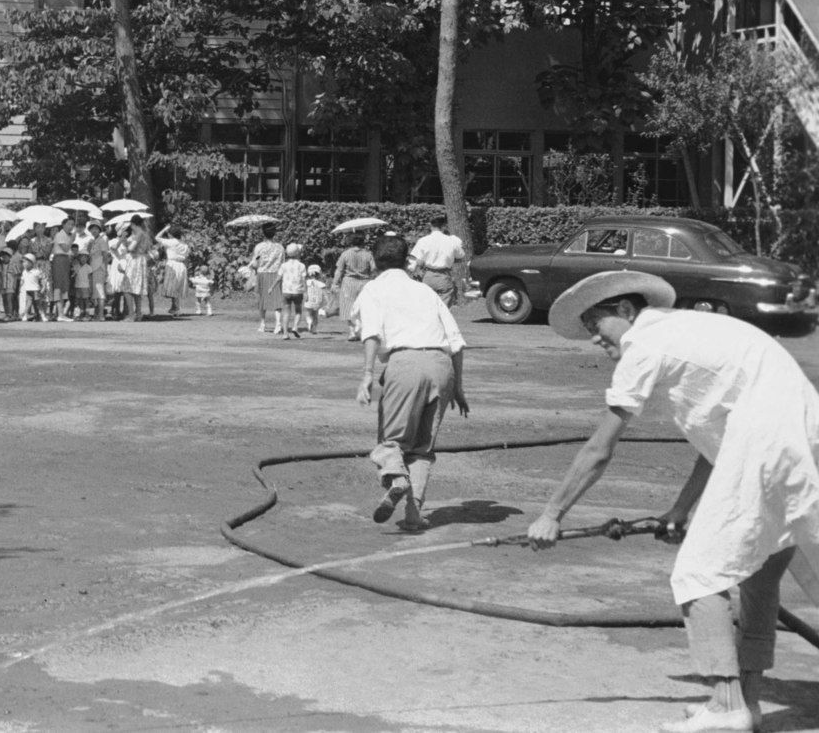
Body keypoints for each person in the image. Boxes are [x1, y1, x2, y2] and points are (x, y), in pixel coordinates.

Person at [528, 271, 819, 733]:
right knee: (760, 573)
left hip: (765, 442)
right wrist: (680, 511)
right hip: (798, 436)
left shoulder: (645, 345)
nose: (594, 341)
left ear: (626, 311)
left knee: (698, 572)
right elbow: (715, 447)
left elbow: (600, 448)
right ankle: (748, 700)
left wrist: (551, 514)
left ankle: (727, 708)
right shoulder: (688, 331)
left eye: (597, 326)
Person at [351, 234, 469, 532]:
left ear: (374, 263)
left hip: (405, 364)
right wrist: (457, 386)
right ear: (407, 261)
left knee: (392, 443)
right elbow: (456, 342)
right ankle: (415, 514)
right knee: (422, 449)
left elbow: (371, 334)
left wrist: (367, 373)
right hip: (442, 367)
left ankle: (397, 478)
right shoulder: (425, 291)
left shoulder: (373, 290)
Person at [410, 214, 468, 306]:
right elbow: (461, 257)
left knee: (428, 306)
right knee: (444, 309)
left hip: (428, 276)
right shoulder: (452, 241)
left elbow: (418, 261)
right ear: (444, 226)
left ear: (431, 226)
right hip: (444, 275)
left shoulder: (423, 241)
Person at [331, 234, 377, 341]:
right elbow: (374, 268)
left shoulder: (345, 254)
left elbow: (339, 270)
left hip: (349, 282)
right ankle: (361, 331)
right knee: (363, 308)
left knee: (348, 307)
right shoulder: (368, 254)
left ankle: (352, 332)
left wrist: (334, 283)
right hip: (365, 283)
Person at [247, 224, 287, 335]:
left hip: (262, 274)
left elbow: (255, 262)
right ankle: (278, 325)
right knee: (277, 300)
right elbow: (283, 262)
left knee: (262, 300)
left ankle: (263, 324)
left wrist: (253, 266)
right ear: (274, 233)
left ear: (263, 233)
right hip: (276, 274)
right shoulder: (280, 247)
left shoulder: (259, 247)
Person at [155, 225, 190, 316]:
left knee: (172, 286)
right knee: (176, 287)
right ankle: (174, 306)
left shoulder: (171, 242)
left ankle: (176, 308)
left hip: (172, 264)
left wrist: (164, 229)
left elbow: (157, 238)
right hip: (181, 265)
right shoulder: (184, 244)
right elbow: (186, 257)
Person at [280, 242, 307, 338]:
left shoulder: (284, 265)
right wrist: (306, 291)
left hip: (286, 291)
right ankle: (295, 327)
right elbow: (303, 280)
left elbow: (279, 277)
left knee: (286, 312)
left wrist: (272, 287)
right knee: (298, 311)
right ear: (297, 253)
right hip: (297, 291)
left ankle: (285, 333)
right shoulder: (302, 265)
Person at [304, 264, 328, 334]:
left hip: (308, 301)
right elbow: (325, 293)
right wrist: (326, 301)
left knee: (308, 313)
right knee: (315, 315)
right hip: (317, 302)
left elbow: (303, 289)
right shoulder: (321, 284)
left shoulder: (307, 282)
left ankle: (309, 323)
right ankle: (314, 328)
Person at [19, 254, 42, 320]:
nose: (23, 264)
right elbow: (22, 280)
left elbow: (41, 280)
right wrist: (20, 287)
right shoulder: (24, 272)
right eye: (23, 262)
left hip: (35, 289)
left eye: (25, 262)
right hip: (27, 289)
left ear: (31, 263)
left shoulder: (36, 271)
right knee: (29, 302)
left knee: (37, 303)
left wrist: (42, 288)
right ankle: (25, 315)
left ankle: (40, 315)